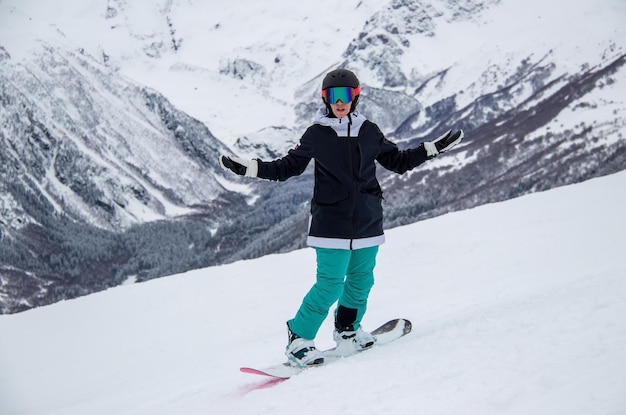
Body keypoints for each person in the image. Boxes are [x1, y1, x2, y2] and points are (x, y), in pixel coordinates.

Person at [219, 68, 463, 367]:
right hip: (330, 222)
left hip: (367, 220)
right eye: (334, 96)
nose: (339, 101)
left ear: (355, 97)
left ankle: (347, 330)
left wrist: (433, 148)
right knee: (330, 284)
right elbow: (287, 167)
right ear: (325, 98)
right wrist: (250, 168)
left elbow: (398, 162)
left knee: (361, 280)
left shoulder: (368, 130)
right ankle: (299, 337)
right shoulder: (317, 134)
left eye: (345, 95)